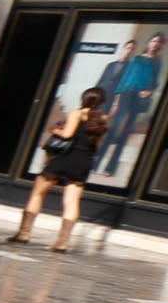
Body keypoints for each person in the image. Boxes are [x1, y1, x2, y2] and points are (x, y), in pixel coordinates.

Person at [12, 86, 112, 251]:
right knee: (72, 203)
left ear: (85, 98)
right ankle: (62, 243)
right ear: (102, 102)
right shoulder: (103, 119)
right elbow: (98, 143)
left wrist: (56, 129)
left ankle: (23, 234)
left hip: (64, 159)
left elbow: (67, 135)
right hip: (83, 162)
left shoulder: (76, 113)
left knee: (38, 194)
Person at [99, 33, 161, 177]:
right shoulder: (136, 59)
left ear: (160, 45)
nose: (155, 43)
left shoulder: (157, 62)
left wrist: (148, 91)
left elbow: (155, 83)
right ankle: (97, 163)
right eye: (153, 40)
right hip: (125, 94)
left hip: (138, 98)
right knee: (114, 128)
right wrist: (116, 101)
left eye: (158, 42)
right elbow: (124, 80)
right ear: (149, 42)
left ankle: (111, 168)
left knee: (125, 132)